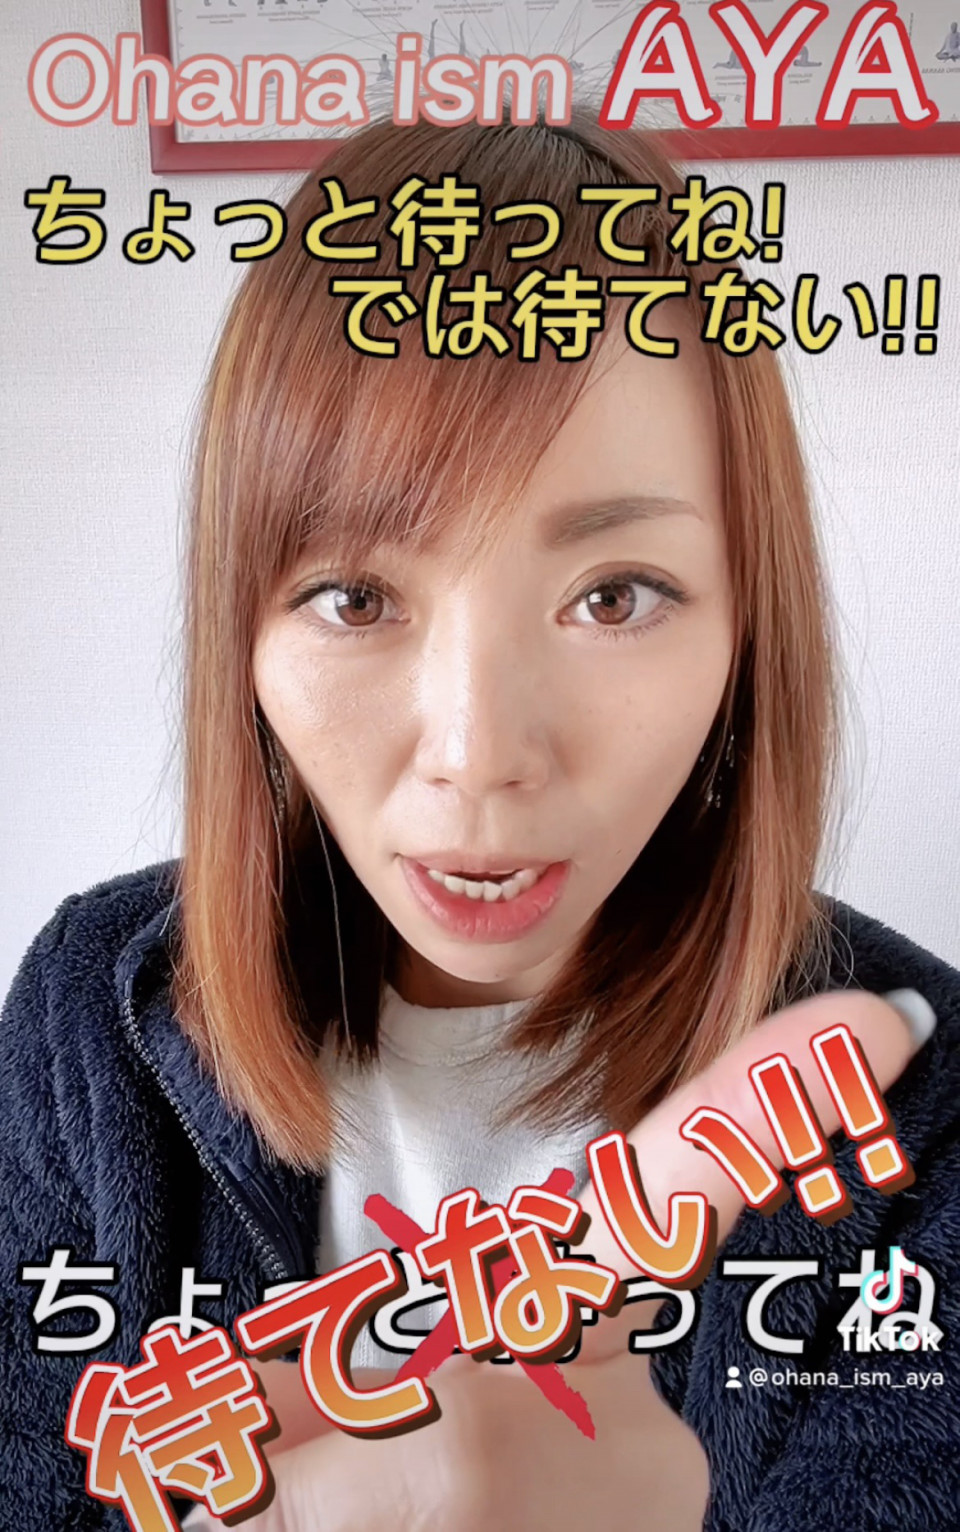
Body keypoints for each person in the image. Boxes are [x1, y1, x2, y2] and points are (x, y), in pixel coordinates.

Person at [2, 112, 959, 1532]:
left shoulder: (915, 1100)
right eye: (356, 597)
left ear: (747, 627)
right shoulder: (99, 1017)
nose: (479, 758)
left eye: (614, 596)